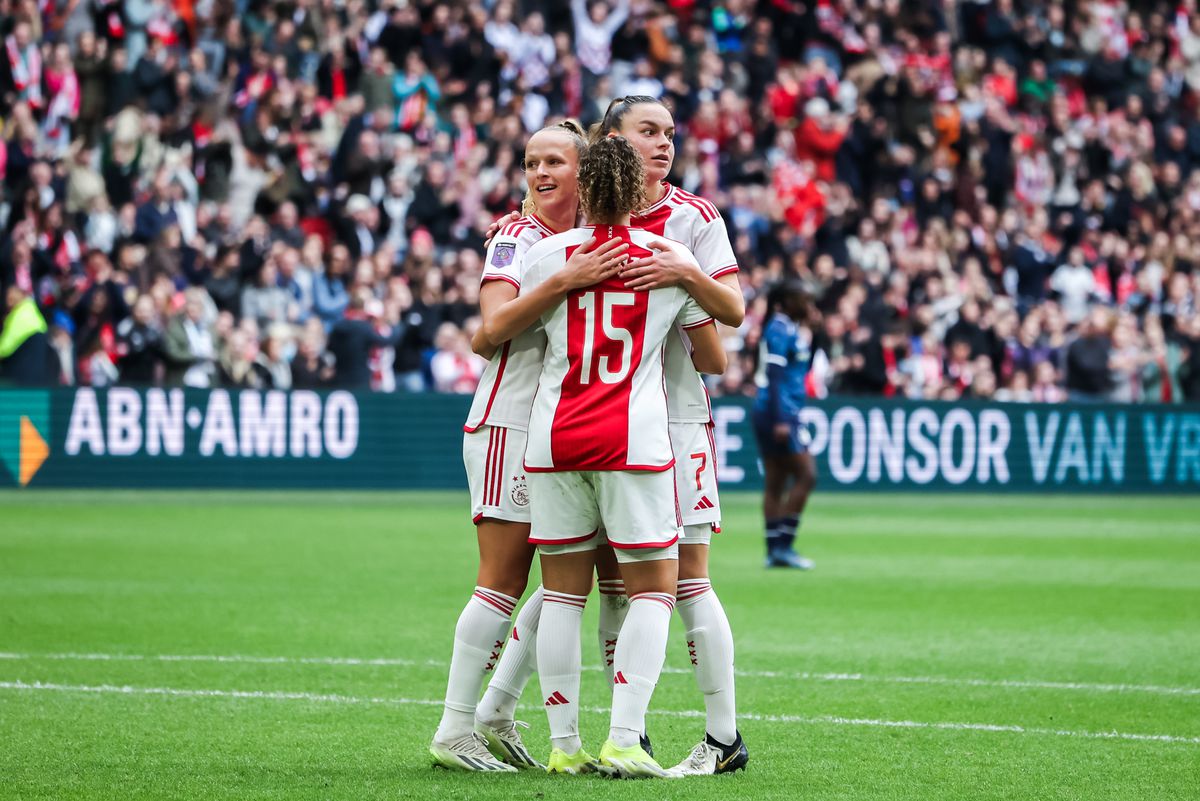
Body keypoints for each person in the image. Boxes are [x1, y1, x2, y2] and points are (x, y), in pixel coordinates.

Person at [477, 95, 750, 777]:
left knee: (568, 589)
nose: (663, 144)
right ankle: (628, 733)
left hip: (557, 433)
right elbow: (721, 342)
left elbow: (498, 333)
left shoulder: (550, 251)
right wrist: (682, 283)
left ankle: (564, 736)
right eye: (647, 133)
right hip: (642, 432)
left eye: (668, 133)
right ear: (616, 149)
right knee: (661, 586)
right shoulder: (666, 249)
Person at [429, 120, 628, 773]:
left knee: (575, 567)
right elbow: (488, 332)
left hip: (555, 427)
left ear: (585, 169)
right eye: (531, 162)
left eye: (555, 162)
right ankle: (455, 725)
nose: (540, 173)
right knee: (504, 578)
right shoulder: (516, 237)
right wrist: (562, 281)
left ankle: (496, 708)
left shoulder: (581, 238)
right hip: (507, 422)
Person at [753, 280, 819, 569]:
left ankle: (774, 550)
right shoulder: (780, 328)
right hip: (777, 412)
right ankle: (784, 545)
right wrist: (781, 418)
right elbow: (775, 376)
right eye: (800, 298)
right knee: (807, 474)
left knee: (776, 479)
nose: (806, 304)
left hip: (772, 410)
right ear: (783, 303)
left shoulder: (787, 327)